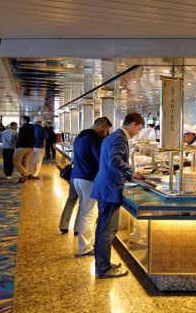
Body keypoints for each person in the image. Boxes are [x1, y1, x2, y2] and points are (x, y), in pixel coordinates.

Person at [91, 112, 144, 278]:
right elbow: (114, 160)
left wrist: (128, 175)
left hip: (104, 186)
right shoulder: (120, 138)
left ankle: (102, 263)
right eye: (138, 129)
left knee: (102, 229)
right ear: (133, 124)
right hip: (109, 188)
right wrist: (133, 171)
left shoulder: (112, 136)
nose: (137, 132)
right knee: (107, 230)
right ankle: (104, 269)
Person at [69, 117, 112, 256]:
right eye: (106, 131)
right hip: (88, 179)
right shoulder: (93, 138)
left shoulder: (81, 136)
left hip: (77, 177)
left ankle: (86, 244)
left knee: (85, 211)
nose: (106, 134)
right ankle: (85, 248)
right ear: (101, 127)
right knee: (90, 214)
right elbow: (101, 160)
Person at [13, 116, 35, 183]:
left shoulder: (22, 128)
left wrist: (16, 146)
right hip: (29, 147)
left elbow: (20, 138)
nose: (21, 121)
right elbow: (33, 138)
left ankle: (26, 174)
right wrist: (32, 147)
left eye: (21, 120)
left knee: (15, 160)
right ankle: (23, 177)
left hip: (22, 147)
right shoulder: (32, 127)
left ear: (25, 121)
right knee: (25, 161)